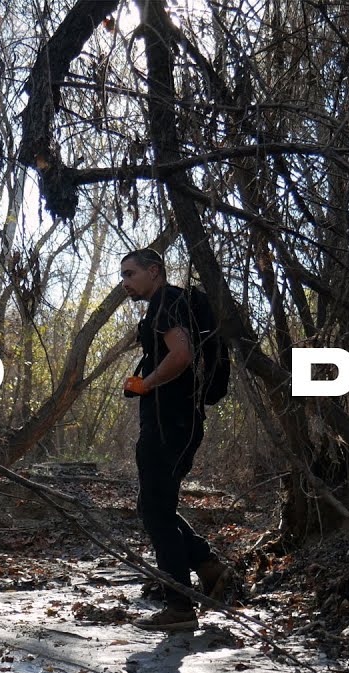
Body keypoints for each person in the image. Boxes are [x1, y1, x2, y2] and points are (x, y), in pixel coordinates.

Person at [119, 248, 231, 632]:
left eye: (131, 274)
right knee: (157, 506)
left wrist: (145, 384)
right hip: (183, 420)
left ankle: (180, 606)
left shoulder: (166, 301)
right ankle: (208, 565)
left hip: (169, 422)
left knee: (154, 510)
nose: (126, 282)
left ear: (154, 272)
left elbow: (180, 354)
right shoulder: (181, 302)